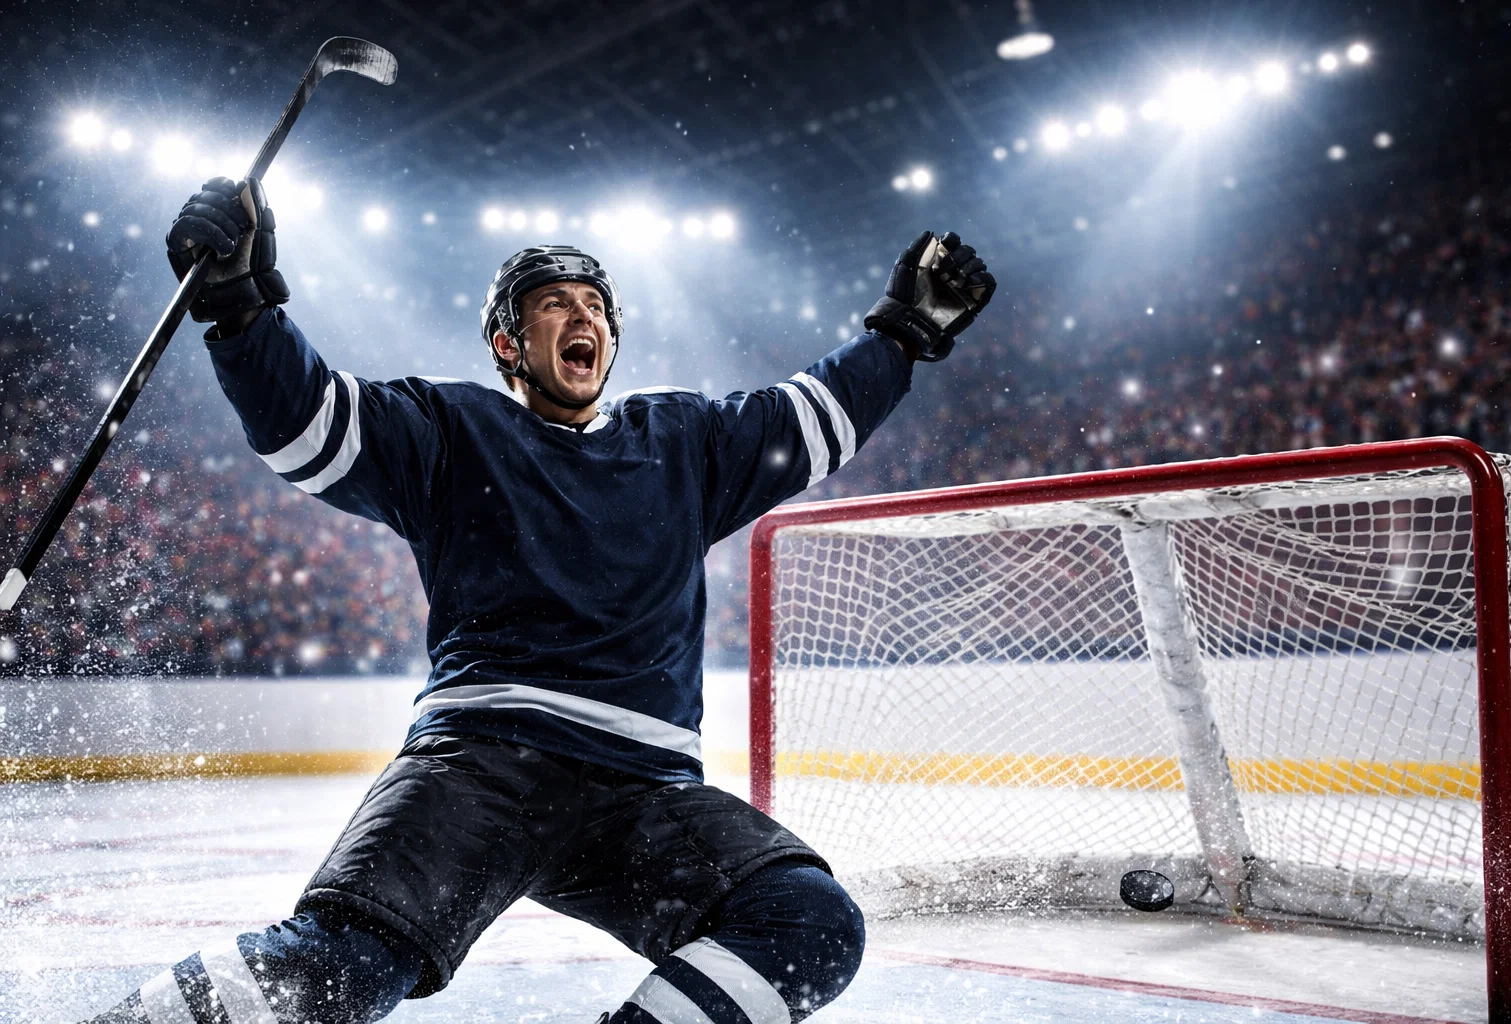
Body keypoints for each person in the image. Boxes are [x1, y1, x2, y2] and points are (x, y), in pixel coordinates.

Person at [76, 176, 995, 1024]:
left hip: (644, 792)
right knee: (344, 964)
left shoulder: (685, 442)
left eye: (594, 305)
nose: (581, 315)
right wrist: (239, 304)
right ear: (508, 344)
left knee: (808, 922)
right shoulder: (451, 428)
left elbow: (814, 415)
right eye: (554, 303)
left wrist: (902, 333)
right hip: (483, 766)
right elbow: (307, 423)